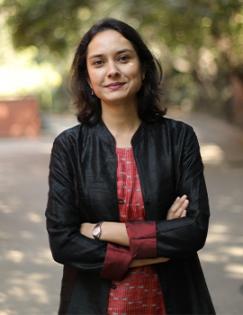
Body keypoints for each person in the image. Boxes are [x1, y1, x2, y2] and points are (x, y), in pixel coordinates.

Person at [45, 18, 215, 315]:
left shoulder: (179, 138)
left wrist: (100, 230)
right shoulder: (70, 146)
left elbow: (193, 231)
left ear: (143, 67)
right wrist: (156, 244)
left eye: (123, 58)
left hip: (174, 300)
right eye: (98, 62)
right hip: (93, 302)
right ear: (87, 77)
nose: (112, 71)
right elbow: (63, 243)